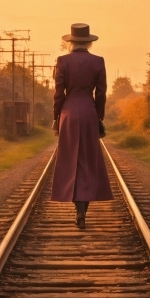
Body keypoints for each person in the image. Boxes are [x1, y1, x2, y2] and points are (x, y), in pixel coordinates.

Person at [50, 22, 113, 228]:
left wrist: (56, 117)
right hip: (88, 113)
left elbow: (59, 94)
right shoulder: (98, 61)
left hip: (69, 113)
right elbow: (101, 94)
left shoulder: (62, 61)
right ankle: (82, 210)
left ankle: (78, 210)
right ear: (88, 43)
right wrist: (99, 117)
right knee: (87, 160)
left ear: (71, 42)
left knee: (71, 161)